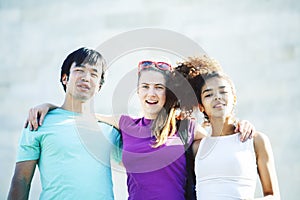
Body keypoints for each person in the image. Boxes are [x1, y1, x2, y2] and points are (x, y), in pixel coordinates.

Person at [24, 59, 255, 200]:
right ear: (138, 91)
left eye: (158, 87)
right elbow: (81, 113)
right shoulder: (126, 124)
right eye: (145, 87)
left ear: (167, 93)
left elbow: (220, 138)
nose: (151, 93)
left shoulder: (185, 128)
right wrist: (50, 106)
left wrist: (240, 125)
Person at [8, 47, 120, 200]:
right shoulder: (38, 121)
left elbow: (145, 154)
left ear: (99, 86)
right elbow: (21, 180)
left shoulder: (109, 130)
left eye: (94, 74)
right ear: (64, 78)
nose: (86, 77)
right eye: (79, 70)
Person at [175, 56, 280, 199]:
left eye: (223, 91)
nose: (217, 97)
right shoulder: (197, 148)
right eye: (209, 94)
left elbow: (273, 195)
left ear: (234, 98)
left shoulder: (255, 141)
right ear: (201, 107)